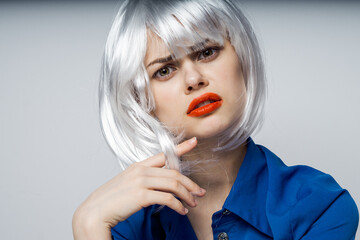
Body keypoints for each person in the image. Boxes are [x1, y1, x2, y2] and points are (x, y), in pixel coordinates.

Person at [72, 0, 359, 239]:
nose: (194, 79)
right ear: (141, 101)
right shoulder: (123, 225)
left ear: (242, 59)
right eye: (164, 70)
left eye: (207, 52)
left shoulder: (321, 207)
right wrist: (88, 226)